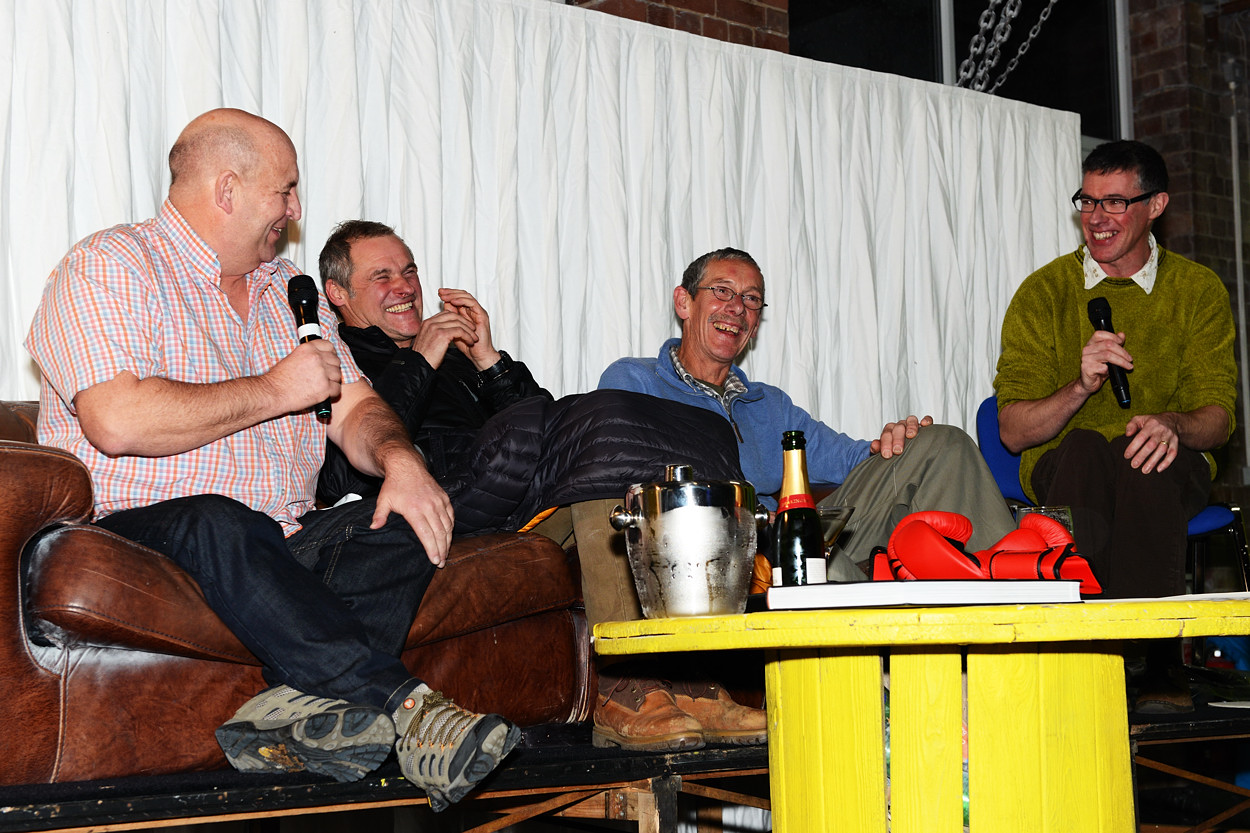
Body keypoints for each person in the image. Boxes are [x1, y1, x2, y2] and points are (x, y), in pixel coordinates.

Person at [23, 109, 519, 811]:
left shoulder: (287, 289)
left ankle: (299, 713)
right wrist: (276, 388)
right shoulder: (109, 264)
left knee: (411, 517)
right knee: (221, 521)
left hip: (282, 540)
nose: (295, 211)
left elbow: (357, 408)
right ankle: (408, 708)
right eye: (284, 191)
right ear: (227, 189)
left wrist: (401, 459)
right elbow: (116, 418)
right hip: (141, 534)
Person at [316, 221, 768, 753]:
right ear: (339, 294)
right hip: (444, 505)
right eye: (383, 275)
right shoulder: (332, 358)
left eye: (410, 270)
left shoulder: (456, 358)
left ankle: (690, 685)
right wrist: (421, 360)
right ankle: (626, 689)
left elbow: (549, 424)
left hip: (513, 495)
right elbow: (345, 471)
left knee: (611, 480)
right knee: (602, 463)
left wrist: (486, 359)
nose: (405, 286)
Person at [994, 140, 1237, 710]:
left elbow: (1219, 416)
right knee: (1083, 447)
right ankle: (1090, 649)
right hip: (1067, 462)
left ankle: (1148, 660)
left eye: (1115, 203)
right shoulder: (1044, 292)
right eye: (1087, 201)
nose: (1096, 218)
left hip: (1168, 464)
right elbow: (1012, 431)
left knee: (1144, 456)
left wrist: (1173, 424)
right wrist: (1080, 387)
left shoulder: (1196, 291)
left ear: (1156, 206)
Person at [599, 247, 1017, 576]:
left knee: (941, 443)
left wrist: (901, 440)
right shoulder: (636, 381)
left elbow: (852, 460)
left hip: (788, 536)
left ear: (756, 324)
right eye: (722, 291)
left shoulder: (770, 404)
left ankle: (1020, 588)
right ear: (684, 303)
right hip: (710, 551)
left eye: (751, 300)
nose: (737, 308)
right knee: (823, 567)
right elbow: (619, 481)